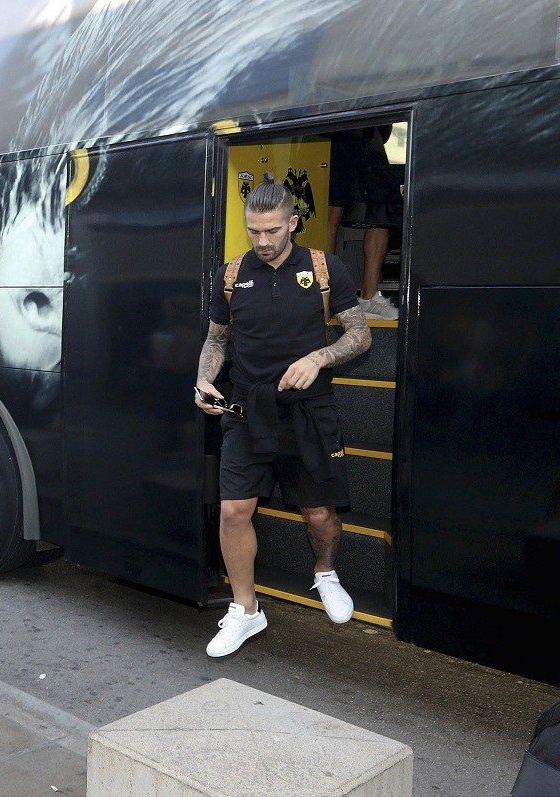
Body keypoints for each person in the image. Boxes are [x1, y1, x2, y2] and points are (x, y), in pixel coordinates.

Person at [195, 175, 371, 657]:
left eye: (272, 230)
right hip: (247, 409)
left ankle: (325, 572)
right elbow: (216, 338)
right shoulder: (230, 275)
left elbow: (360, 335)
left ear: (293, 222)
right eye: (254, 231)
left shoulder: (324, 268)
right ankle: (246, 610)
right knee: (233, 510)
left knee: (319, 513)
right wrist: (204, 379)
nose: (263, 241)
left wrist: (319, 358)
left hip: (309, 410)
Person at [326, 127, 399, 321]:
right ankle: (322, 293)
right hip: (333, 129)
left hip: (369, 129)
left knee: (381, 210)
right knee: (331, 212)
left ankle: (369, 297)